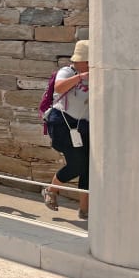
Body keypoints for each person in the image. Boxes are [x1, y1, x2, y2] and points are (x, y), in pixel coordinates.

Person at [41, 40, 90, 219]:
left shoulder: (98, 74)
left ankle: (85, 209)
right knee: (77, 164)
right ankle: (51, 190)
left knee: (88, 168)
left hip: (84, 126)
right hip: (63, 124)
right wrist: (81, 77)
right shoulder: (68, 71)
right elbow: (59, 87)